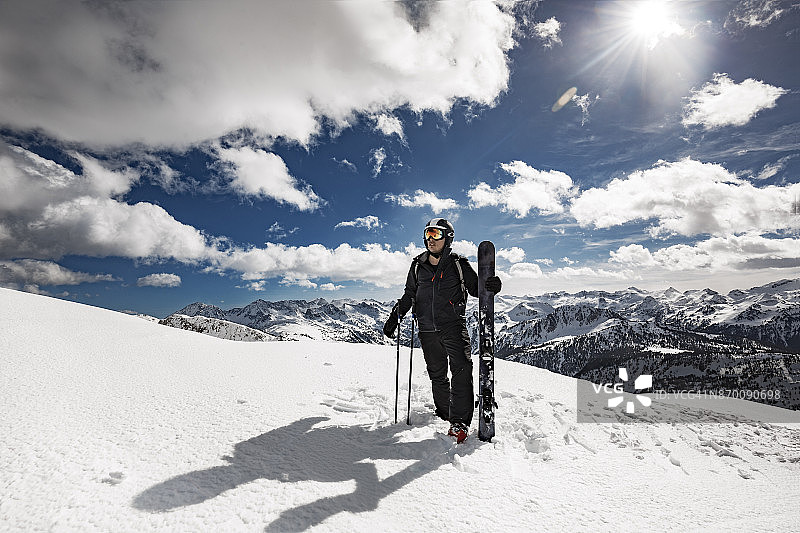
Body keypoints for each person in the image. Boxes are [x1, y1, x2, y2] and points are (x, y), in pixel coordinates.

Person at [383, 218, 501, 443]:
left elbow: (477, 289)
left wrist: (493, 285)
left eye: (435, 234)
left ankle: (459, 422)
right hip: (427, 330)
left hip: (453, 326)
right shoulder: (418, 265)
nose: (430, 239)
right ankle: (445, 412)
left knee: (462, 370)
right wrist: (394, 318)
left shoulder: (458, 264)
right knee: (437, 375)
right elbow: (409, 294)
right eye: (427, 234)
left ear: (448, 238)